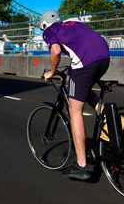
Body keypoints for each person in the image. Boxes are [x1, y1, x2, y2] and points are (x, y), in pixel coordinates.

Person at [40, 10, 110, 180]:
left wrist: (52, 71)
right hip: (104, 58)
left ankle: (81, 165)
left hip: (86, 64)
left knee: (75, 111)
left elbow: (56, 51)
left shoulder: (50, 31)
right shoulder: (76, 24)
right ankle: (112, 129)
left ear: (43, 25)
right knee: (82, 91)